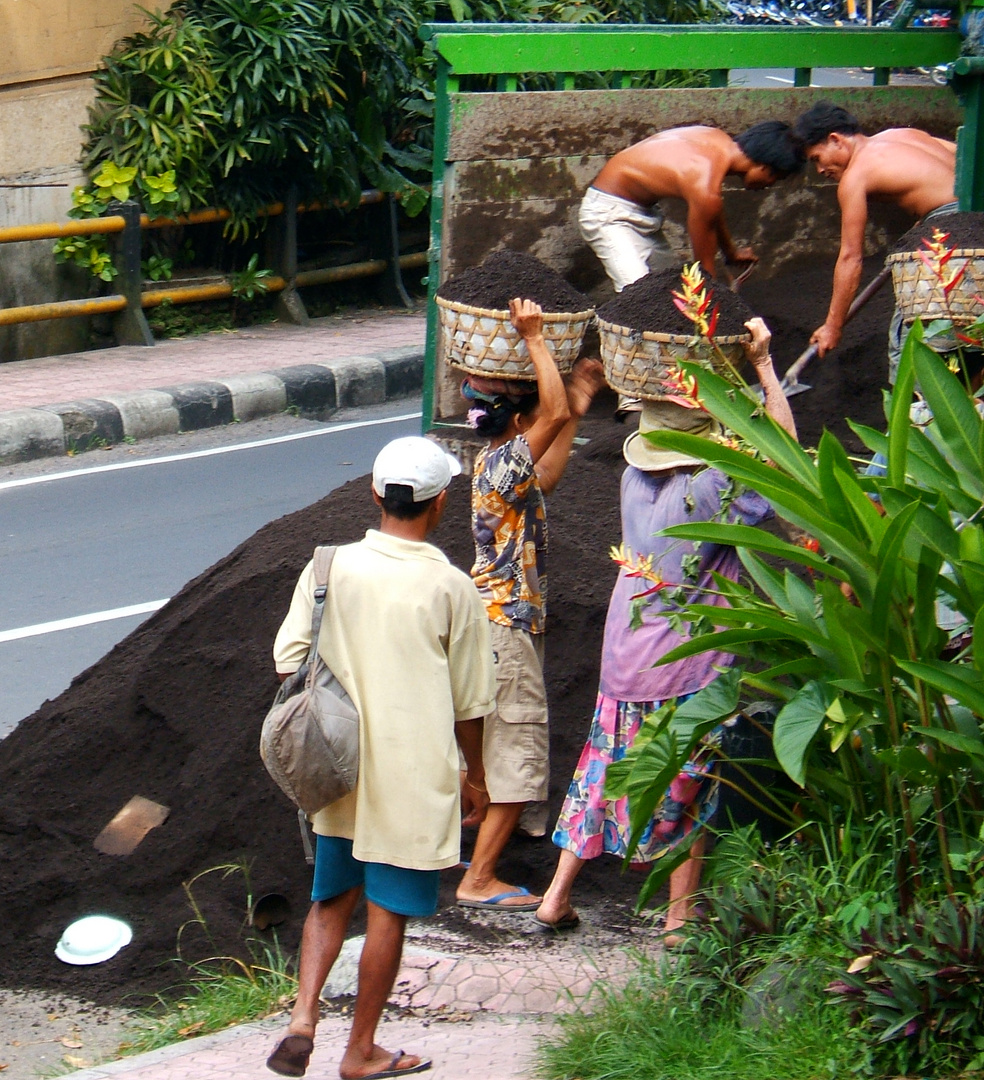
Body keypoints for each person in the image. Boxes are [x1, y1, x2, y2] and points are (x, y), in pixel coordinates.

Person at [534, 318, 795, 943]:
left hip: (626, 648)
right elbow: (786, 457)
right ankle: (680, 916)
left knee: (603, 764)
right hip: (688, 657)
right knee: (689, 774)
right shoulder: (713, 486)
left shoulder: (633, 479)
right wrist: (761, 369)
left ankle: (555, 895)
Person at [267, 437, 494, 1080]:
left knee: (330, 897)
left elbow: (289, 659)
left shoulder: (328, 566)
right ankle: (360, 1050)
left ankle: (303, 1019)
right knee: (387, 911)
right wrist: (476, 777)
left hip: (336, 767)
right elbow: (471, 703)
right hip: (411, 775)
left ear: (375, 492)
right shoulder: (451, 586)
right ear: (441, 502)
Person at [454, 301, 605, 912]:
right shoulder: (498, 469)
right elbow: (555, 410)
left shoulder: (499, 468)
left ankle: (476, 845)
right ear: (520, 422)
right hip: (505, 628)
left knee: (497, 755)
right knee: (519, 755)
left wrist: (578, 402)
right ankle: (479, 878)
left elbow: (550, 475)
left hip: (497, 625)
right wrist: (537, 339)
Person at [791, 101, 957, 380]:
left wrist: (833, 326)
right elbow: (966, 155)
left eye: (817, 158)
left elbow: (851, 257)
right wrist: (931, 214)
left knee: (910, 340)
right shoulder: (902, 134)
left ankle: (912, 418)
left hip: (952, 228)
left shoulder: (856, 176)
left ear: (835, 140)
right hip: (969, 213)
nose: (819, 170)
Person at [579, 123, 802, 291]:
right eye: (776, 179)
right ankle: (615, 351)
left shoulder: (716, 138)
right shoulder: (705, 185)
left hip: (643, 213)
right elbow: (704, 272)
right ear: (765, 168)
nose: (769, 186)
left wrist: (730, 252)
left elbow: (713, 211)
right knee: (638, 294)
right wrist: (714, 302)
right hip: (607, 216)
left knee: (669, 290)